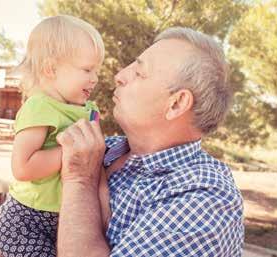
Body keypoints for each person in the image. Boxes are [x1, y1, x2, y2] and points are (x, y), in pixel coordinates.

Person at [56, 27, 244, 256]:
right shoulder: (104, 148)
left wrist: (80, 180)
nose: (120, 75)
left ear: (176, 104)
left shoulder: (205, 199)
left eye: (139, 73)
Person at [0, 15, 109, 257]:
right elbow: (23, 167)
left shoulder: (90, 111)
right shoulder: (39, 107)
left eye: (96, 70)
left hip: (67, 219)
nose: (95, 78)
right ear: (50, 69)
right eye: (87, 69)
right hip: (26, 222)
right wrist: (71, 151)